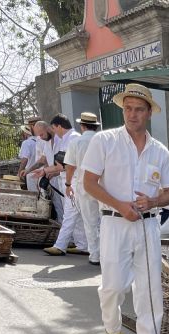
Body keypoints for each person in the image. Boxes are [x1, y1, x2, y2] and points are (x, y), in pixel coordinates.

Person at [81, 83, 169, 334]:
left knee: (150, 286)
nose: (132, 114)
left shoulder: (159, 150)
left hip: (148, 226)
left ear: (149, 113)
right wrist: (120, 205)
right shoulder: (105, 141)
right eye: (128, 109)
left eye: (138, 109)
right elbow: (89, 183)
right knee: (113, 285)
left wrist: (153, 201)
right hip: (115, 223)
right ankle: (112, 327)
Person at [38, 113, 87, 256]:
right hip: (72, 180)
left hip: (73, 181)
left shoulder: (72, 139)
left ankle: (60, 246)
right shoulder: (71, 138)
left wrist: (47, 170)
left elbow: (65, 165)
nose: (53, 131)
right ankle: (82, 245)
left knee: (70, 215)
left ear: (59, 126)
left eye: (54, 128)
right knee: (76, 216)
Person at [63, 112, 102, 265]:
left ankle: (95, 255)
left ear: (82, 126)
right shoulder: (104, 140)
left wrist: (68, 184)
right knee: (106, 221)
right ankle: (108, 253)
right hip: (104, 186)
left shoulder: (76, 142)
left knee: (90, 222)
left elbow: (70, 167)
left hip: (84, 186)